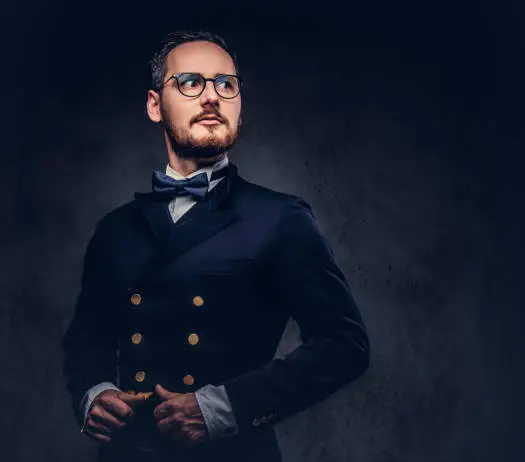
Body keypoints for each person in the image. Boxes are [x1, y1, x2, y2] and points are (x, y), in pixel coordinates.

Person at [60, 30, 370, 462]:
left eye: (226, 84)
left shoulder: (281, 218)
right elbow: (85, 340)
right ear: (154, 105)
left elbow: (345, 344)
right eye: (191, 82)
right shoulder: (115, 228)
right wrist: (93, 394)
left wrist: (225, 408)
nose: (212, 97)